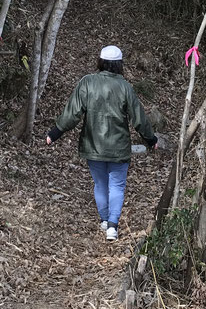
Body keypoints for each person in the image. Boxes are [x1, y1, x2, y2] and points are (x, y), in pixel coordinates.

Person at [45, 45, 158, 241]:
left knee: (100, 184)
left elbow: (73, 113)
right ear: (119, 64)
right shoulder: (125, 87)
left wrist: (55, 132)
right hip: (119, 147)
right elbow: (138, 118)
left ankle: (105, 220)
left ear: (100, 62)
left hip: (93, 145)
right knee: (117, 186)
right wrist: (150, 139)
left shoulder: (87, 82)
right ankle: (113, 226)